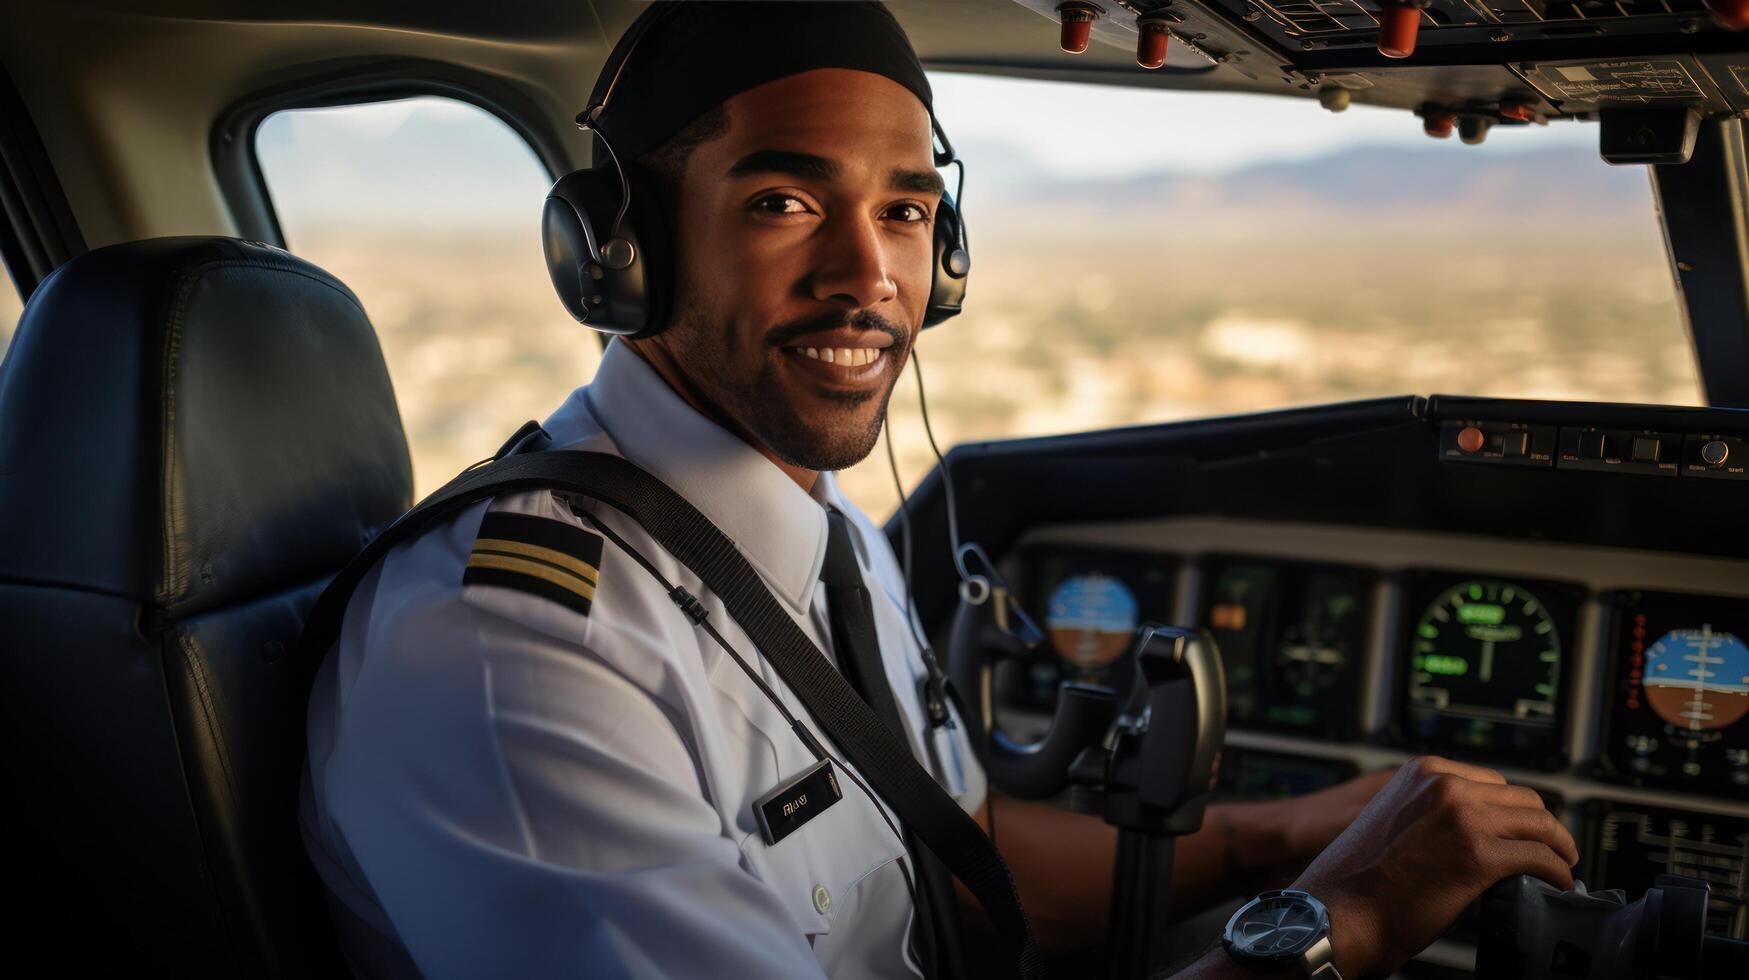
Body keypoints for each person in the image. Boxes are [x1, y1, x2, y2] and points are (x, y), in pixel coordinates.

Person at [300, 3, 1579, 978]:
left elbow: (954, 858)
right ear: (621, 257)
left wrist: (1283, 833)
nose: (869, 275)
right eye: (786, 199)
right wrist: (1338, 916)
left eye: (908, 212)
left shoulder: (828, 533)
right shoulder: (508, 646)